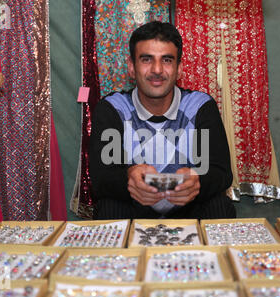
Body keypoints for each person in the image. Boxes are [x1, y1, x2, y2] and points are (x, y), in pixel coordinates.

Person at [89, 21, 235, 220]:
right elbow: (101, 179)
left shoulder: (200, 106)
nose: (157, 70)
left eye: (166, 60)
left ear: (179, 68)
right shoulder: (113, 108)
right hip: (135, 208)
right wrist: (128, 177)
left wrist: (197, 181)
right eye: (147, 59)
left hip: (188, 209)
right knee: (109, 207)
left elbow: (222, 173)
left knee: (219, 204)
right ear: (132, 67)